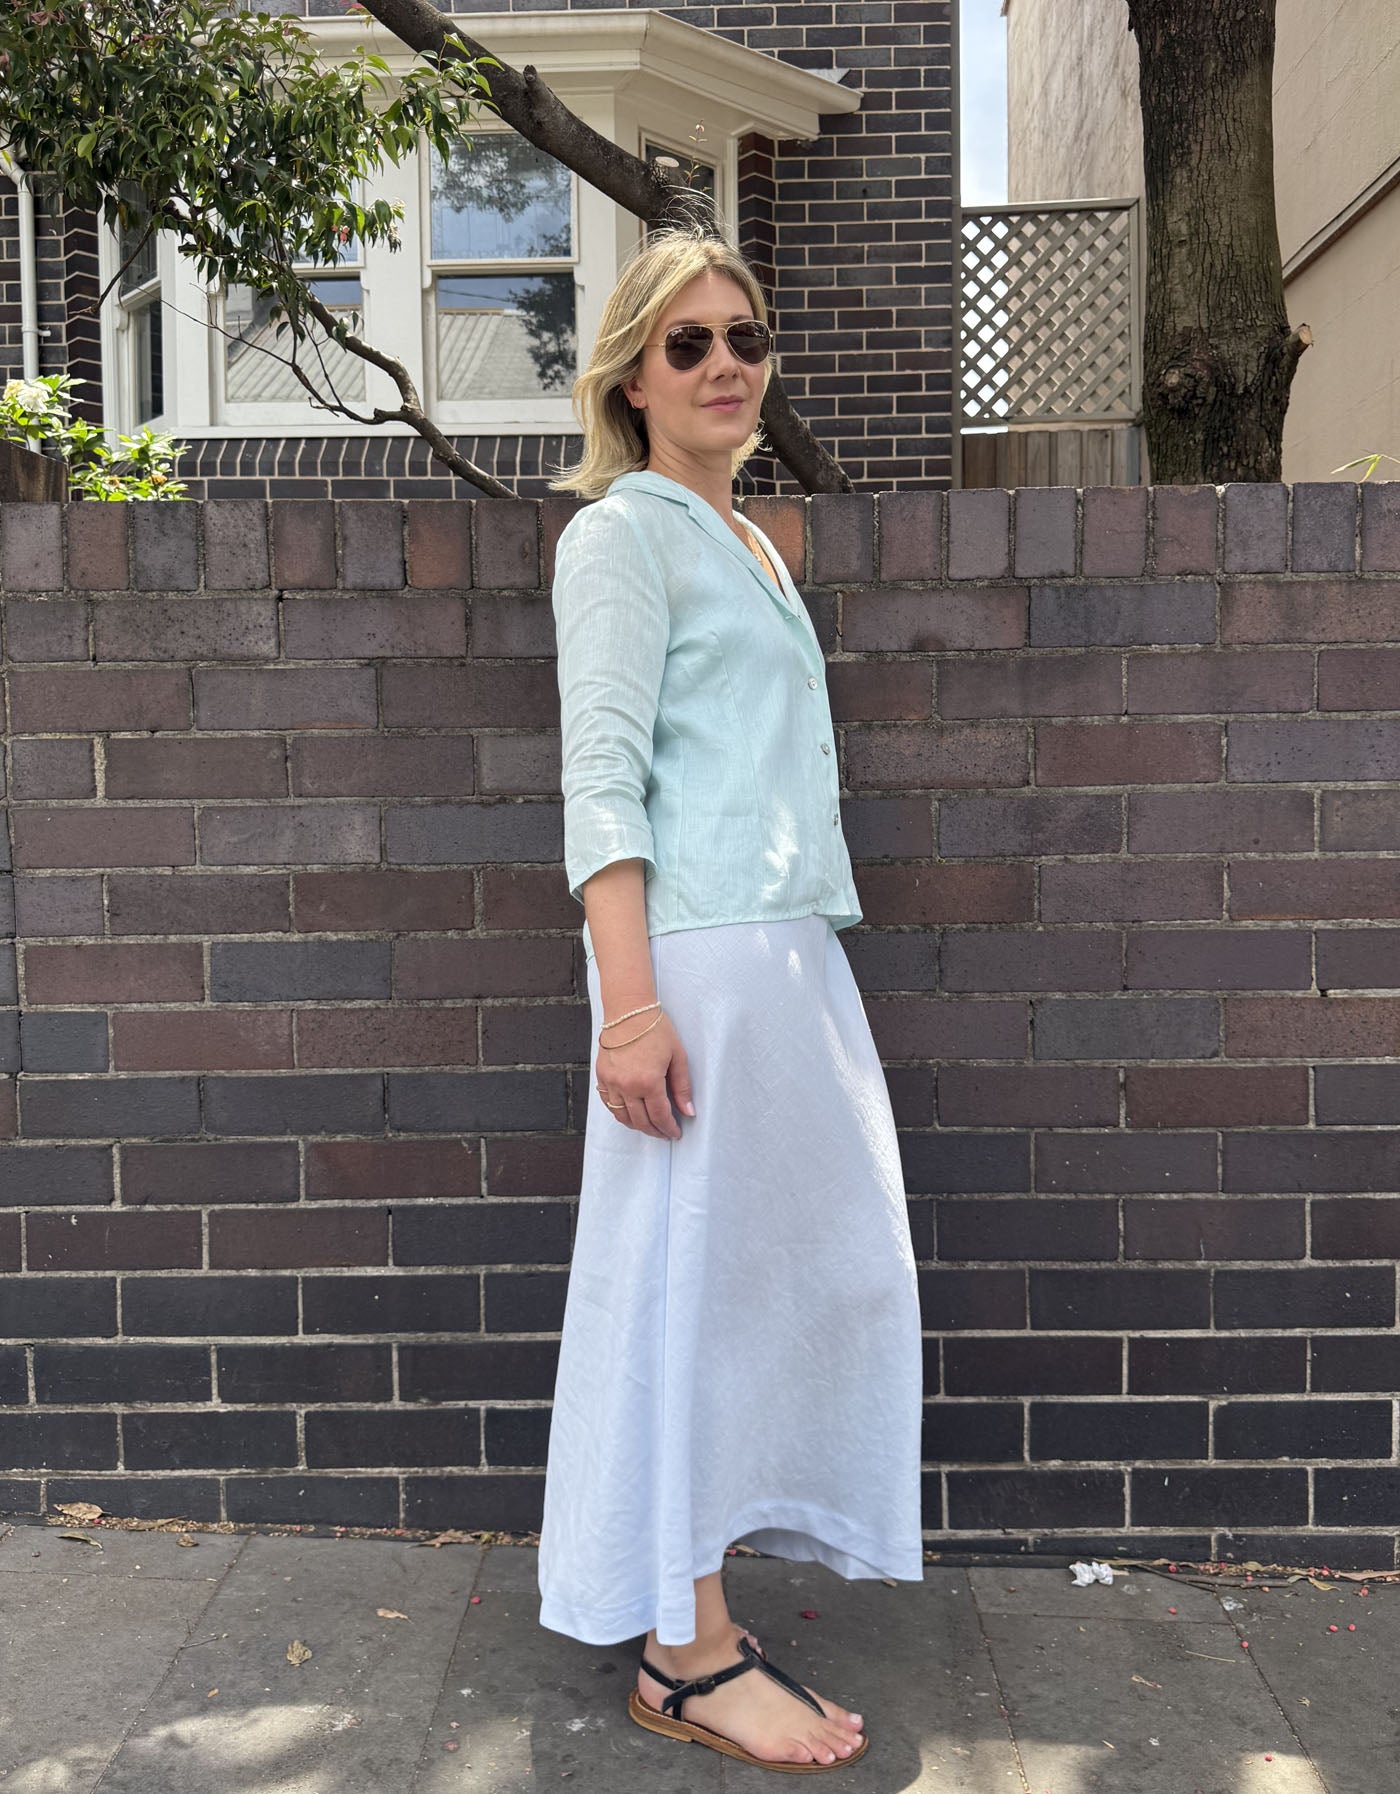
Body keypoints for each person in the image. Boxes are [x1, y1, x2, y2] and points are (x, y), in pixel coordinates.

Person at [536, 223, 924, 1774]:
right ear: (632, 377)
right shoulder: (618, 537)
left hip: (786, 963)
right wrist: (629, 1009)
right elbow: (601, 782)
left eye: (744, 338)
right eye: (686, 342)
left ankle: (699, 1601)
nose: (722, 364)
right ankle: (685, 1651)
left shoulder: (752, 543)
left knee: (796, 1284)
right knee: (686, 1300)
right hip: (692, 967)